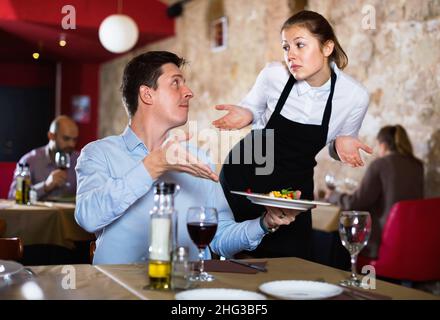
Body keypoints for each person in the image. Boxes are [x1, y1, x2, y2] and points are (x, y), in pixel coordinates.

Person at [75, 51, 300, 265]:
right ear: (147, 94)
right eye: (176, 83)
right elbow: (88, 218)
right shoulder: (98, 153)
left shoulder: (199, 159)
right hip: (116, 292)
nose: (188, 91)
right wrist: (153, 165)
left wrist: (264, 223)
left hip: (184, 292)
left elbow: (220, 238)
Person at [213, 10, 372, 259]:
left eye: (300, 45)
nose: (291, 55)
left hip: (293, 190)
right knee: (236, 257)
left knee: (293, 260)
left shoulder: (353, 97)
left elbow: (337, 147)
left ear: (327, 47)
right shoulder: (273, 75)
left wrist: (341, 145)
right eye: (286, 47)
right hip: (245, 173)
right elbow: (251, 109)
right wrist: (246, 114)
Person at [326, 125, 424, 259]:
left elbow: (356, 202)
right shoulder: (417, 166)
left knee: (330, 239)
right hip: (413, 240)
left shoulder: (381, 164)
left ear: (382, 145)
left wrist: (333, 195)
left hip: (383, 242)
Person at [8, 115, 79, 201]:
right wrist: (45, 186)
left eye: (74, 140)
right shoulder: (30, 160)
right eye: (66, 138)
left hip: (71, 214)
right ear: (51, 136)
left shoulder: (79, 160)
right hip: (37, 214)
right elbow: (13, 197)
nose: (71, 144)